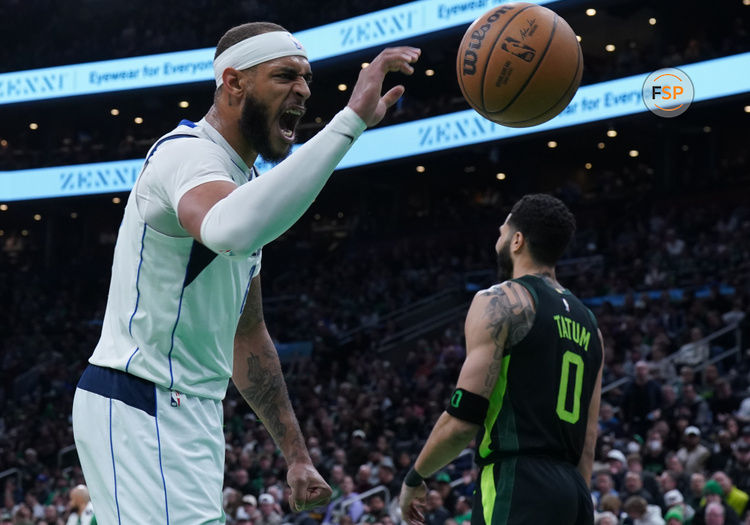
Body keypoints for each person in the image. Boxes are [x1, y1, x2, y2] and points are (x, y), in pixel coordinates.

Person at [70, 20, 421, 524]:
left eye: (307, 78)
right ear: (233, 83)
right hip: (141, 398)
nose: (302, 89)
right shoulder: (187, 155)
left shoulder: (244, 182)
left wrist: (295, 454)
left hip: (191, 411)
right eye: (285, 76)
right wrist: (349, 123)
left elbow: (248, 334)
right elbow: (227, 228)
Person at [399, 195, 603, 525]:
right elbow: (588, 443)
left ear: (517, 240)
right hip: (574, 494)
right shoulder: (590, 323)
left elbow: (464, 418)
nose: (499, 237)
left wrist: (414, 476)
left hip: (517, 480)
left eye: (503, 231)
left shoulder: (500, 300)